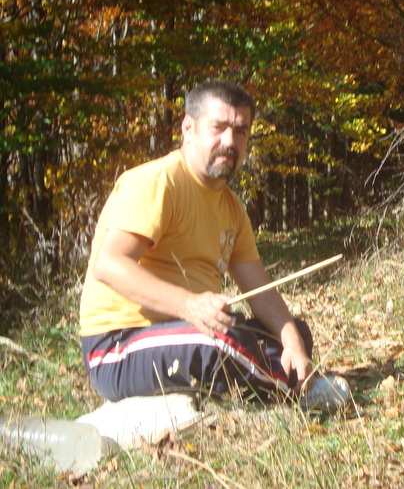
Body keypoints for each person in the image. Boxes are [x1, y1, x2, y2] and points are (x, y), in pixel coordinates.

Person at [78, 80, 349, 412]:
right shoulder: (157, 182)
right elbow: (109, 265)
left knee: (292, 332)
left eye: (240, 131)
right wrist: (190, 305)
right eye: (218, 128)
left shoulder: (231, 207)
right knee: (215, 344)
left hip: (185, 328)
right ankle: (299, 393)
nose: (229, 141)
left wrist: (292, 341)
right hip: (119, 346)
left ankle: (282, 375)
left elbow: (260, 290)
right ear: (188, 129)